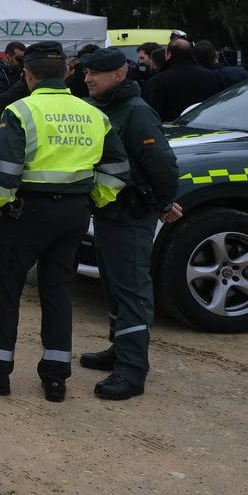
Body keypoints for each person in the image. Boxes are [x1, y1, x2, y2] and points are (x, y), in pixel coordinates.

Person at [0, 41, 130, 403]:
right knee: (56, 292)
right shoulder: (93, 113)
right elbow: (117, 169)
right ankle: (55, 378)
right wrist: (95, 198)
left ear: (28, 75)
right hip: (74, 213)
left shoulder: (20, 111)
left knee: (5, 291)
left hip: (25, 212)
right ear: (66, 73)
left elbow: (4, 171)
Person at [81, 48, 182, 400]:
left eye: (95, 73)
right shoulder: (104, 108)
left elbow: (163, 165)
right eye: (86, 72)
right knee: (112, 284)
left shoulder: (137, 112)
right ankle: (119, 350)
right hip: (109, 212)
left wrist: (164, 203)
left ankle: (132, 370)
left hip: (131, 215)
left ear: (119, 74)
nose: (88, 78)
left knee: (132, 290)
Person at [147, 39, 225, 121]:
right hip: (209, 125)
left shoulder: (160, 80)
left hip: (174, 130)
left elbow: (155, 114)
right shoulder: (214, 76)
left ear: (169, 54)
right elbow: (222, 105)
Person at [0, 41, 27, 116]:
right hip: (6, 120)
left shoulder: (23, 71)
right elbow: (1, 100)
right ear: (8, 57)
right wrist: (22, 82)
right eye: (18, 58)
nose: (21, 62)